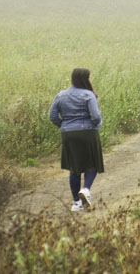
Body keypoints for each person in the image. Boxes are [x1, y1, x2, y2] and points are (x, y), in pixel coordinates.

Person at [49, 68, 104, 212]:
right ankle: (85, 190)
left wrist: (64, 126)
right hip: (87, 132)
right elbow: (96, 116)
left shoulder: (61, 95)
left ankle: (76, 203)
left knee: (74, 167)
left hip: (68, 134)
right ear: (86, 79)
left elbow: (52, 115)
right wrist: (96, 124)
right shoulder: (88, 94)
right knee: (91, 164)